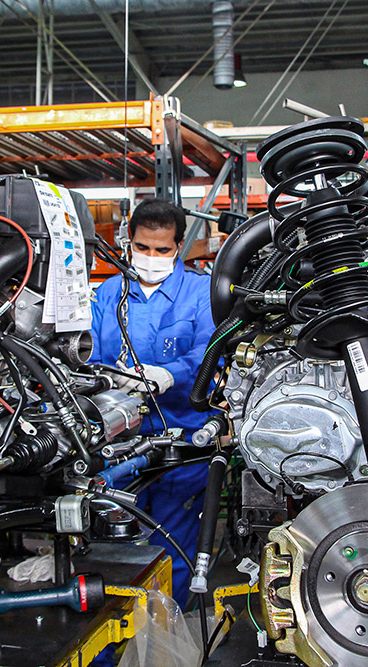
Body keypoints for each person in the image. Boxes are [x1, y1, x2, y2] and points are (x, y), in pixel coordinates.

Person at [88, 198, 216, 607]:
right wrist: (103, 378)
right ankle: (121, 625)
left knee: (172, 544)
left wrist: (169, 374)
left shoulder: (200, 292)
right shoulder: (109, 293)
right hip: (117, 442)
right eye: (142, 247)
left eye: (162, 249)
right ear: (129, 241)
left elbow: (211, 350)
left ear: (178, 246)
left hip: (181, 443)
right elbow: (86, 354)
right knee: (114, 544)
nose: (151, 257)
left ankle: (167, 625)